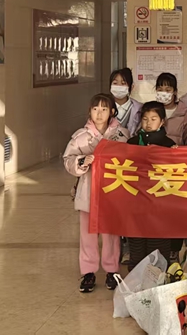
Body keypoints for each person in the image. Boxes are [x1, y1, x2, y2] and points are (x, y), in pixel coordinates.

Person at [63, 94, 128, 293]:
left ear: (112, 112)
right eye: (95, 109)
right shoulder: (81, 137)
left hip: (113, 193)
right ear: (89, 112)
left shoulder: (122, 135)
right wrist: (82, 161)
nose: (99, 114)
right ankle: (88, 271)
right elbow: (68, 159)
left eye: (104, 109)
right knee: (88, 234)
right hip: (88, 191)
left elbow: (131, 159)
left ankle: (112, 270)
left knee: (111, 234)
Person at [125, 101, 175, 270]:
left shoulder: (169, 145)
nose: (148, 123)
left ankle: (158, 278)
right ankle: (136, 278)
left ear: (162, 122)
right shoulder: (132, 143)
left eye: (153, 119)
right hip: (136, 203)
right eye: (145, 119)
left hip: (160, 205)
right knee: (137, 242)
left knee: (158, 242)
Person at [155, 72, 187, 146]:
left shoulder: (185, 114)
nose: (163, 93)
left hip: (177, 152)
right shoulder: (151, 111)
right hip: (155, 152)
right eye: (160, 90)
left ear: (175, 92)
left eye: (168, 90)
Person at [109, 68, 142, 137]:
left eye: (123, 83)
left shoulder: (139, 109)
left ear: (131, 87)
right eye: (115, 83)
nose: (119, 86)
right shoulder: (104, 107)